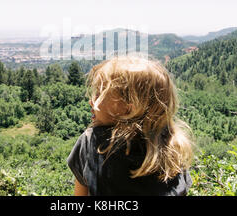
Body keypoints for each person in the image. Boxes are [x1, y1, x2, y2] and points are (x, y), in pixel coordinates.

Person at [67, 54, 194, 196]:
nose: (92, 101)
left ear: (128, 109)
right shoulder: (173, 147)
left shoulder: (92, 142)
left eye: (100, 93)